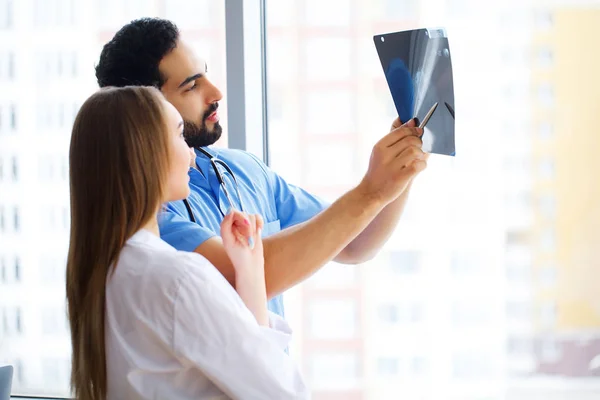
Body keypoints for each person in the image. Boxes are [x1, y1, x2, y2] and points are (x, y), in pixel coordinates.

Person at [95, 18, 428, 317]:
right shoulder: (143, 211)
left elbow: (355, 243)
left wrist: (400, 172)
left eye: (206, 74)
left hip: (265, 381)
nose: (216, 92)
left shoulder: (242, 169)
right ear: (144, 112)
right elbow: (249, 281)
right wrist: (370, 191)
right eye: (191, 86)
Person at [66, 85, 310, 400]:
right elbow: (283, 393)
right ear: (147, 155)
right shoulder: (179, 278)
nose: (193, 153)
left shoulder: (106, 271)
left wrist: (248, 273)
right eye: (181, 136)